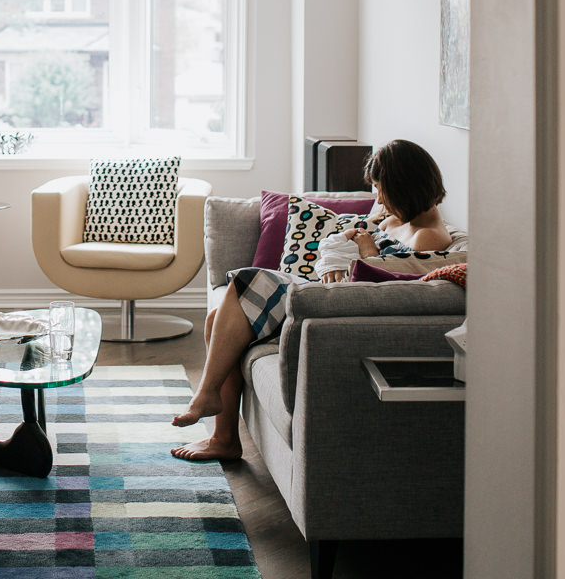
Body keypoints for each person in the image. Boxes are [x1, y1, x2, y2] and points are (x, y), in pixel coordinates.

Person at [169, 138, 450, 461]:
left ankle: (206, 395)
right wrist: (347, 246)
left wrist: (367, 251)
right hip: (327, 291)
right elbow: (345, 242)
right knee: (216, 317)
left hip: (337, 305)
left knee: (247, 280)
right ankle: (224, 438)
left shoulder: (428, 236)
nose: (378, 198)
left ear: (404, 186)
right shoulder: (397, 221)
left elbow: (392, 283)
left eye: (381, 188)